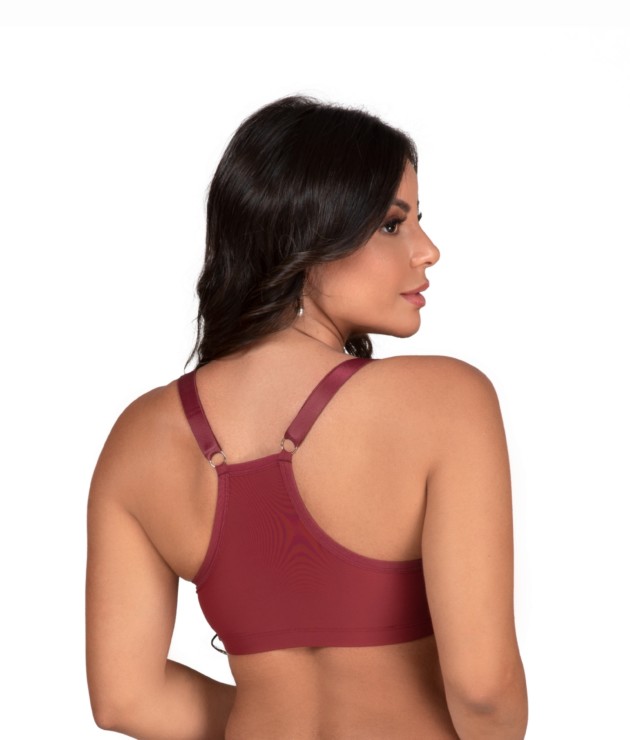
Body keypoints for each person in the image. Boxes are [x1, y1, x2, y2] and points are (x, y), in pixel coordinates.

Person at [85, 94, 528, 739]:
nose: (428, 251)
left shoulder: (140, 437)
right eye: (392, 225)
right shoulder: (447, 400)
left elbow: (128, 700)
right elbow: (483, 692)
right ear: (307, 237)